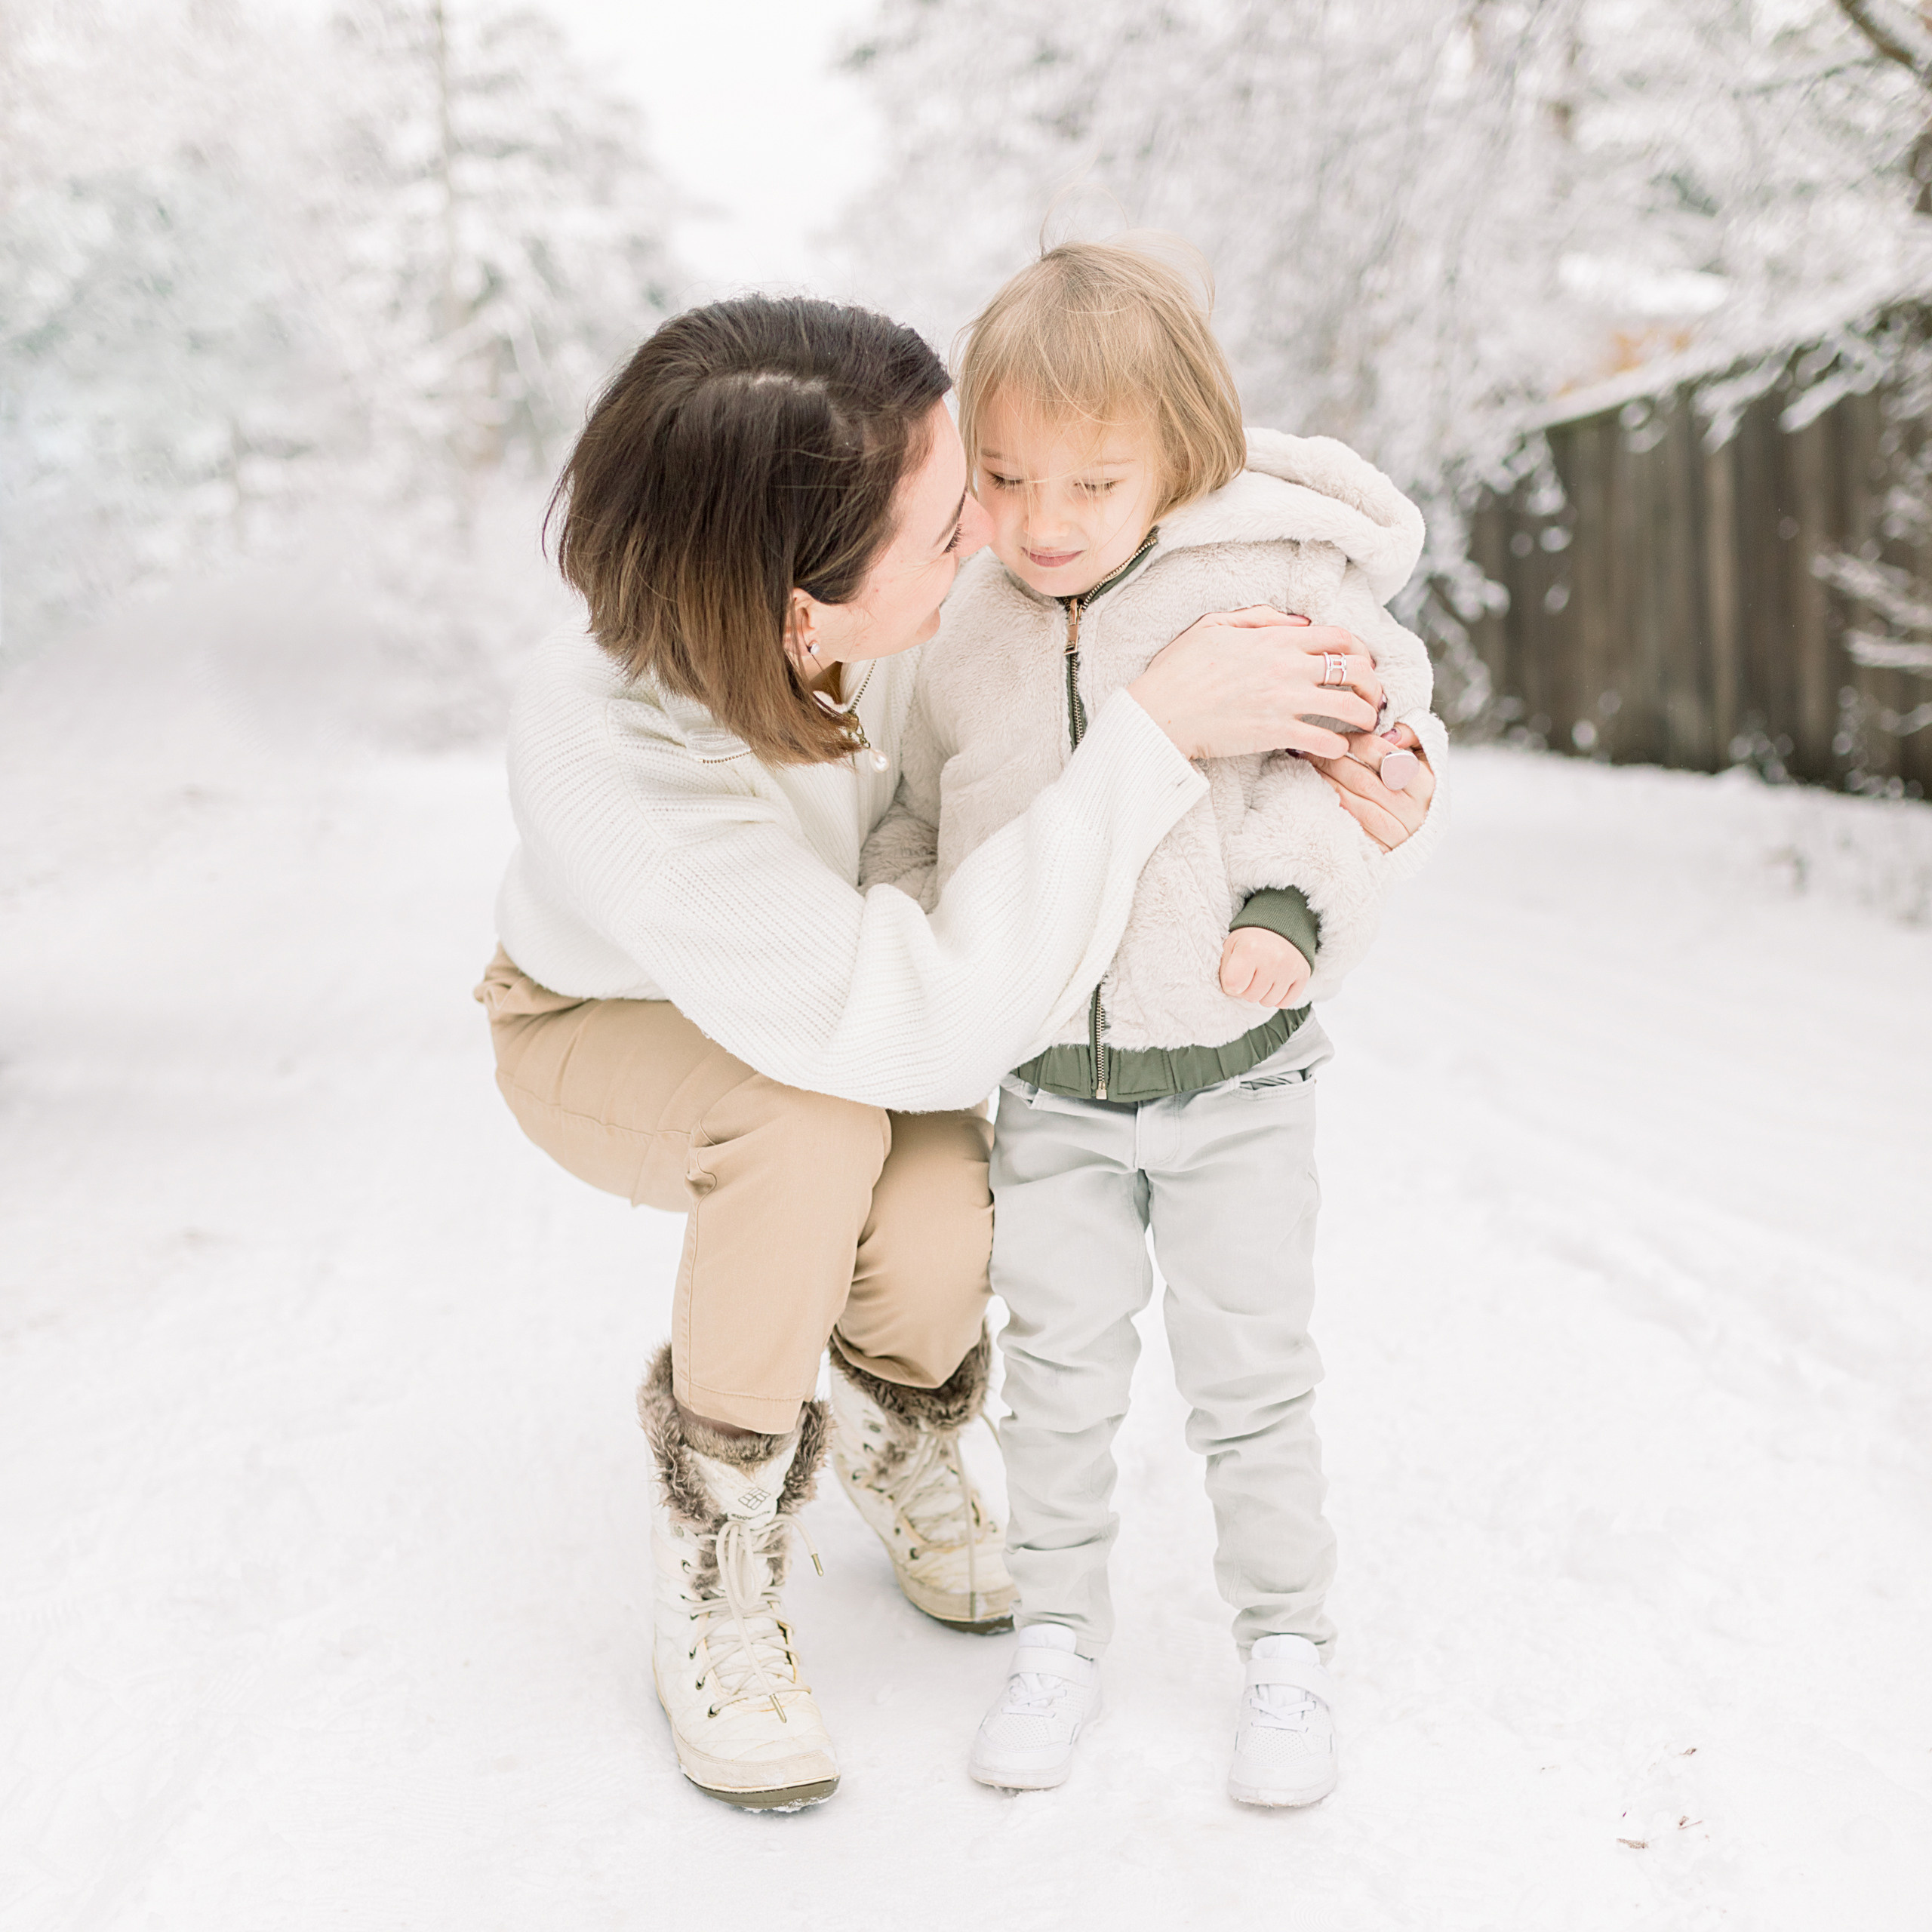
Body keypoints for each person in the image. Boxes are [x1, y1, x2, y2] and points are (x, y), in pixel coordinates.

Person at [475, 293, 1437, 1812]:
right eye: (949, 525)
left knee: (932, 1222)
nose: (988, 539)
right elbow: (916, 1022)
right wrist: (1152, 732)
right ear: (802, 608)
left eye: (964, 487)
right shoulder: (615, 756)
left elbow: (1039, 754)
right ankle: (719, 1542)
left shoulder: (892, 610)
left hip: (866, 983)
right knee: (805, 1132)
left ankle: (893, 1424)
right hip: (612, 1023)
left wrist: (1338, 779)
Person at [859, 238, 1447, 1807]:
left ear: (1175, 462)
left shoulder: (1264, 596)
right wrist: (921, 937)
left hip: (1236, 1081)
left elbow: (1363, 765)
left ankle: (1286, 1649)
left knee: (1248, 1371)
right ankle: (1054, 1632)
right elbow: (916, 818)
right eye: (1003, 478)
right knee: (1056, 1369)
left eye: (1091, 485)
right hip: (1049, 1089)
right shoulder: (963, 628)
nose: (1041, 524)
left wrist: (1290, 910)